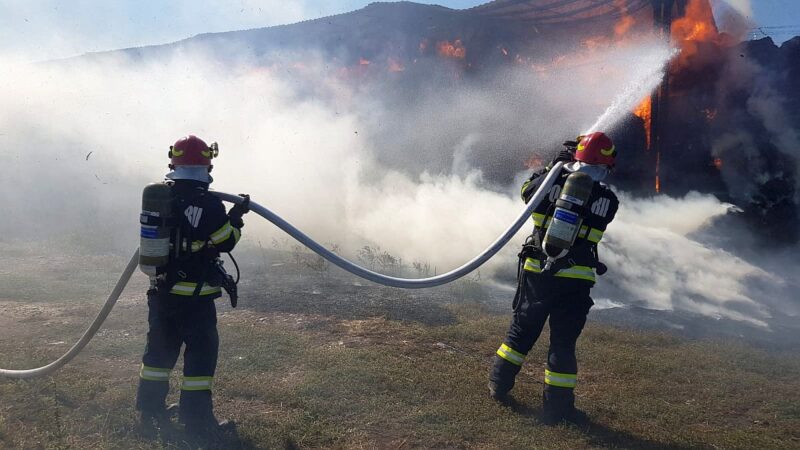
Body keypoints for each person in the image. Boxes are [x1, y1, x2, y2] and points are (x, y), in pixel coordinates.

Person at [488, 132, 620, 425]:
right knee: (562, 344)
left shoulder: (552, 183)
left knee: (520, 332)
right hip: (576, 281)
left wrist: (552, 169)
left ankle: (499, 384)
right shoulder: (609, 200)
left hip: (538, 273)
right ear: (605, 166)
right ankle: (557, 409)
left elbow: (526, 192)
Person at [136, 135, 249, 436]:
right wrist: (237, 219)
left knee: (158, 356)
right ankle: (197, 422)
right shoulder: (208, 203)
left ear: (172, 163)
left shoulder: (161, 197)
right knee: (200, 358)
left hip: (161, 293)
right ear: (207, 164)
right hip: (196, 299)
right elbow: (227, 241)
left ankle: (150, 414)